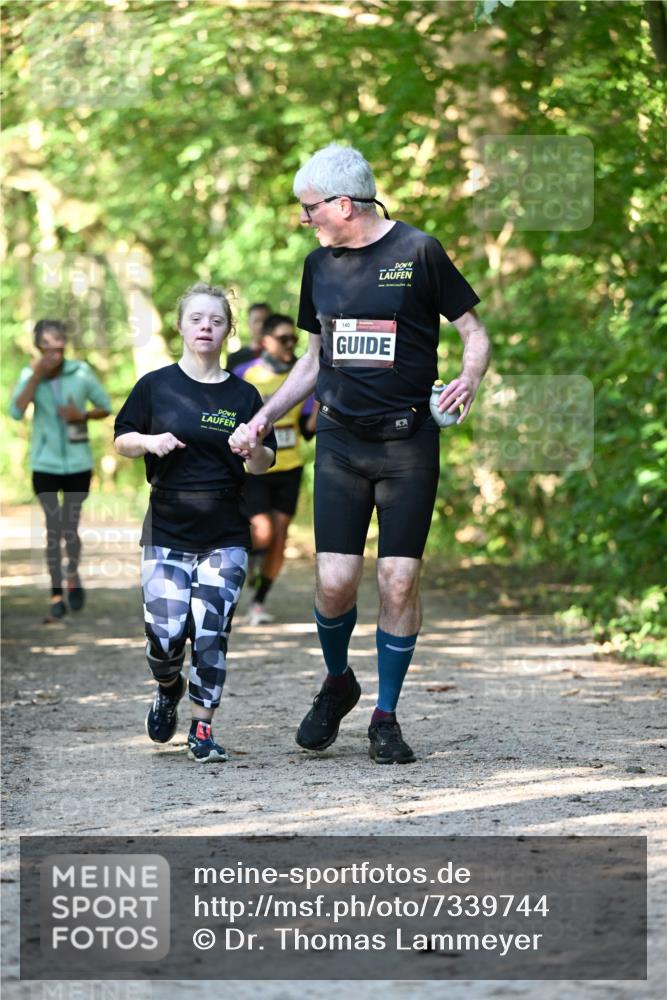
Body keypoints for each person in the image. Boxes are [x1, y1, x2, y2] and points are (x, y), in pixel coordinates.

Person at [229, 144, 490, 765]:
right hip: (341, 443)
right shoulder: (318, 266)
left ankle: (385, 716)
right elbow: (311, 363)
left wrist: (469, 378)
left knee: (398, 582)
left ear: (344, 204)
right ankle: (339, 681)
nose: (305, 219)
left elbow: (474, 333)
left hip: (408, 444)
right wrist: (265, 414)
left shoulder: (419, 252)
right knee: (335, 582)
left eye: (309, 208)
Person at [114, 282, 276, 763]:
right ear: (181, 326)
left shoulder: (245, 394)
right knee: (164, 640)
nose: (206, 326)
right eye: (197, 318)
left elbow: (266, 462)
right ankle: (168, 688)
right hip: (166, 530)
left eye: (217, 320)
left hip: (225, 532)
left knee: (211, 629)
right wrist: (148, 441)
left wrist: (254, 448)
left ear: (228, 331)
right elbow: (121, 439)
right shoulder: (155, 386)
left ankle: (202, 728)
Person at [9, 319, 112, 620]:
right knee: (53, 529)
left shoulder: (80, 372)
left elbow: (105, 405)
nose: (55, 353)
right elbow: (16, 412)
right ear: (39, 347)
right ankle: (56, 592)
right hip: (44, 465)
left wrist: (81, 414)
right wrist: (36, 376)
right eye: (48, 348)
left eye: (60, 346)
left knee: (70, 527)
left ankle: (73, 576)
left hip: (79, 464)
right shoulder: (30, 374)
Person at [233, 313, 317, 626]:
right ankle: (241, 553)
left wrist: (322, 398)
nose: (291, 345)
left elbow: (309, 429)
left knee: (280, 536)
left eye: (294, 339)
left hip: (289, 467)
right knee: (263, 532)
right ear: (265, 340)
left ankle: (258, 601)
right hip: (255, 467)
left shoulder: (304, 374)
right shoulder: (244, 373)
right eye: (284, 339)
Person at [226, 302, 271, 370]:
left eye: (265, 321)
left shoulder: (280, 356)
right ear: (248, 324)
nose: (261, 325)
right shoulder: (235, 358)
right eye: (256, 321)